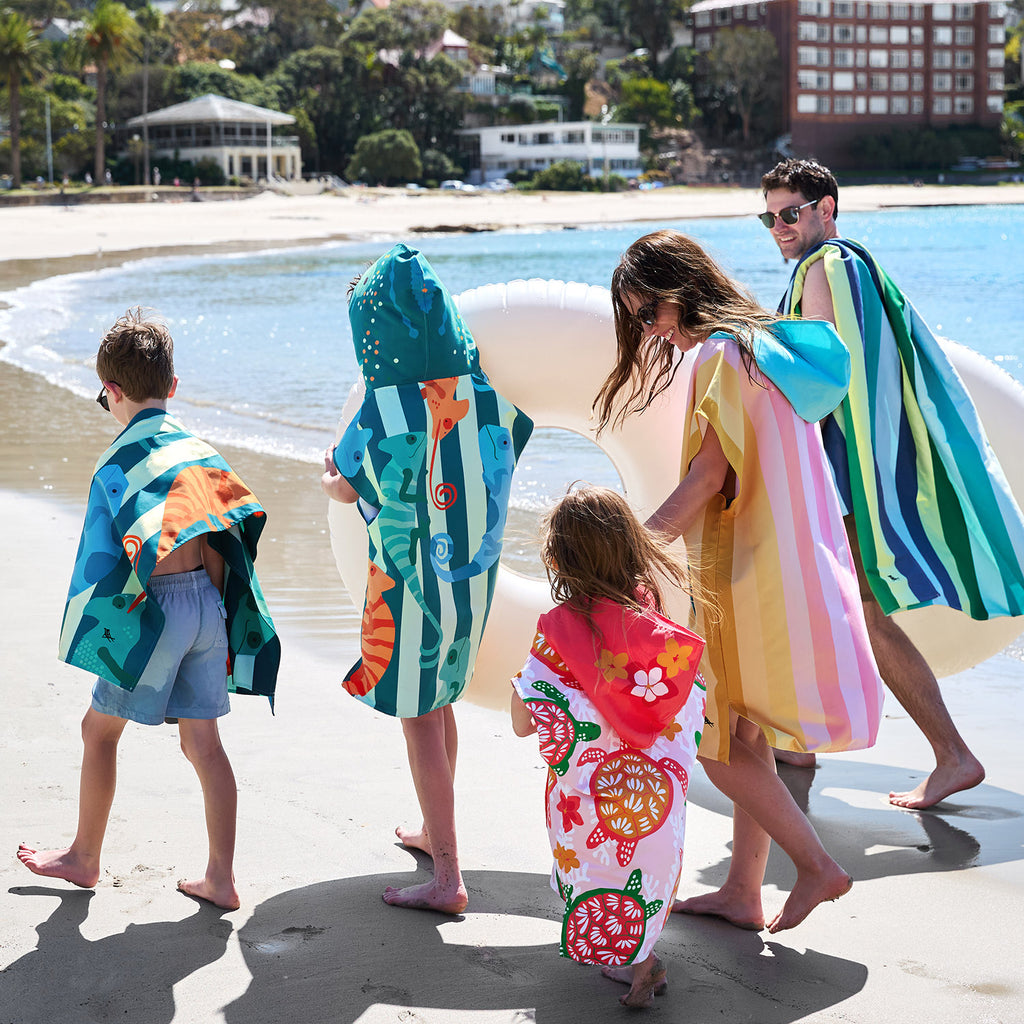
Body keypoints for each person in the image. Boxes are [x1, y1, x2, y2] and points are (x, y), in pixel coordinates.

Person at [593, 230, 885, 933]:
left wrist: (633, 554)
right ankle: (743, 891)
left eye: (648, 312)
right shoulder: (768, 348)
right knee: (745, 736)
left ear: (680, 288)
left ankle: (816, 866)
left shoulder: (718, 357)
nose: (650, 329)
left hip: (738, 575)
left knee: (715, 744)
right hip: (787, 564)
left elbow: (706, 478)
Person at [761, 158, 1024, 808]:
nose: (779, 227)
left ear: (826, 207)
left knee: (856, 610)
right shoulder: (853, 264)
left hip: (845, 475)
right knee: (851, 608)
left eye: (789, 213)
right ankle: (812, 743)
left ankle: (938, 752)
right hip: (852, 469)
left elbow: (824, 376)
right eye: (769, 217)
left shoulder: (826, 267)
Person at [17, 308, 280, 911]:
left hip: (154, 608)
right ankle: (221, 877)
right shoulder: (201, 453)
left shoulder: (116, 465)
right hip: (205, 604)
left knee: (98, 729)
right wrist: (210, 612)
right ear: (174, 387)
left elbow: (108, 565)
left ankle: (84, 856)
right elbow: (225, 539)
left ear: (110, 391)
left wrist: (104, 636)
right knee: (204, 745)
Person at [323, 243, 533, 913]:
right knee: (440, 699)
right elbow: (505, 452)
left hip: (407, 588)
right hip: (470, 585)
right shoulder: (487, 399)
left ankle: (447, 877)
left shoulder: (382, 405)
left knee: (418, 717)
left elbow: (346, 479)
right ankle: (431, 831)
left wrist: (336, 484)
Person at [510, 485, 707, 1009]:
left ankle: (637, 964)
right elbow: (687, 711)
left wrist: (522, 686)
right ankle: (642, 954)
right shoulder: (661, 628)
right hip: (653, 799)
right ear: (633, 550)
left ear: (558, 560)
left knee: (595, 871)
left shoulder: (557, 631)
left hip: (587, 799)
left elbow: (529, 720)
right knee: (645, 870)